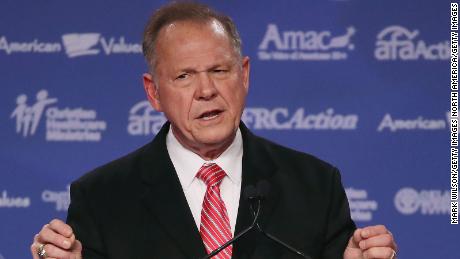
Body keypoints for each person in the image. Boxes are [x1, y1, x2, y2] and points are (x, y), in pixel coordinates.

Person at [31, 2, 397, 259]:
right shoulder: (101, 198)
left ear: (245, 75)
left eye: (220, 70)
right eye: (184, 76)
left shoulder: (315, 185)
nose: (206, 90)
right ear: (153, 92)